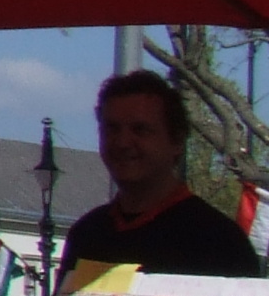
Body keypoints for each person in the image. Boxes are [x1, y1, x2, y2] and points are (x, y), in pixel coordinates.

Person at [60, 69, 261, 279]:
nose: (122, 142)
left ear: (177, 142)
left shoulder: (220, 242)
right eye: (112, 129)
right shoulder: (87, 235)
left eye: (140, 130)